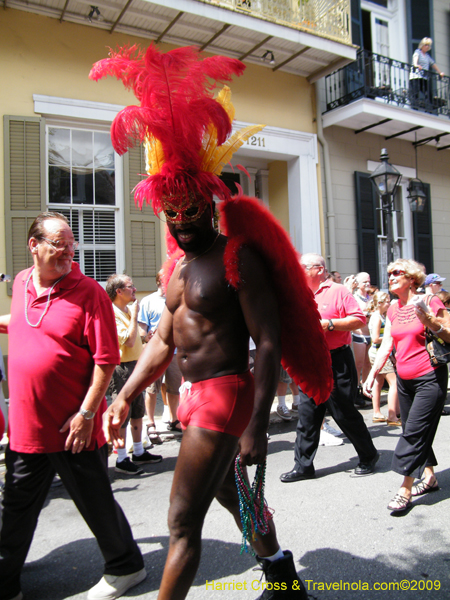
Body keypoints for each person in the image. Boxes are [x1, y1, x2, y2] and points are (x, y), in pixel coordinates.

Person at [91, 43, 333, 600]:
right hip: (193, 395)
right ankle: (282, 576)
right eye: (171, 214)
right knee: (233, 493)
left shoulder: (236, 256)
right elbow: (161, 340)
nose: (180, 223)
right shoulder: (177, 268)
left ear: (208, 198)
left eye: (190, 211)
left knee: (181, 521)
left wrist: (257, 425)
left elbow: (268, 342)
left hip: (226, 395)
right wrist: (126, 394)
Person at [0, 212, 145, 600]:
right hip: (27, 425)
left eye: (71, 245)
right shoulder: (20, 283)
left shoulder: (89, 292)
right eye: (58, 245)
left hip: (72, 426)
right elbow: (26, 321)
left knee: (95, 502)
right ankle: (5, 581)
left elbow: (106, 359)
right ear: (34, 245)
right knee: (15, 507)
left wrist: (86, 415)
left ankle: (126, 567)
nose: (68, 252)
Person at [280, 254, 379, 483]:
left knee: (343, 412)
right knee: (307, 415)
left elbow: (359, 319)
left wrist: (330, 324)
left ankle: (368, 455)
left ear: (318, 269)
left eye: (302, 267)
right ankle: (303, 466)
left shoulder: (338, 291)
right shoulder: (297, 292)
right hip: (309, 360)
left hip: (336, 360)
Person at [364, 259, 450, 513]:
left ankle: (405, 489)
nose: (390, 277)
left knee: (413, 432)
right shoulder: (392, 308)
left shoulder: (430, 301)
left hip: (429, 377)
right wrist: (372, 374)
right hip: (404, 380)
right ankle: (430, 476)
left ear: (412, 278)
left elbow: (448, 333)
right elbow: (388, 344)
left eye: (396, 273)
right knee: (414, 430)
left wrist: (429, 320)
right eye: (389, 274)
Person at [106, 273, 163, 475]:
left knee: (137, 410)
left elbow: (136, 339)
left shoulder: (127, 310)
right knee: (123, 413)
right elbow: (128, 341)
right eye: (130, 287)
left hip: (135, 364)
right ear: (118, 291)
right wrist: (136, 313)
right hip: (121, 368)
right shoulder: (112, 313)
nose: (135, 290)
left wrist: (147, 337)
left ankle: (138, 451)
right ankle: (122, 458)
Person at [138, 271, 182, 436]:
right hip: (155, 351)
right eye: (167, 280)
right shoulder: (148, 301)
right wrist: (146, 337)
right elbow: (142, 329)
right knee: (151, 388)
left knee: (174, 388)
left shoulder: (177, 300)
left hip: (175, 351)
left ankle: (174, 419)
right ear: (160, 282)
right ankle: (150, 423)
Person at [367, 291, 400, 425]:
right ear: (379, 303)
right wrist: (390, 336)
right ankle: (392, 415)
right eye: (387, 301)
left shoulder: (382, 315)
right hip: (378, 352)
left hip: (377, 353)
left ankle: (377, 412)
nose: (389, 303)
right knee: (394, 383)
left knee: (378, 382)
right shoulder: (377, 317)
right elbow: (375, 338)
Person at [352, 272, 372, 405]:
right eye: (364, 282)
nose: (367, 284)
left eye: (368, 281)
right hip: (358, 334)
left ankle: (365, 389)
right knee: (358, 365)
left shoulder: (371, 298)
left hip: (370, 333)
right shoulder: (354, 298)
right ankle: (355, 391)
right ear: (358, 284)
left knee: (368, 364)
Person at [409, 38, 445, 110]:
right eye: (425, 45)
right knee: (415, 93)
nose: (427, 46)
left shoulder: (427, 56)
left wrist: (440, 72)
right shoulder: (418, 52)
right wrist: (416, 65)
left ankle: (429, 107)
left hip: (424, 78)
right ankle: (414, 108)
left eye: (428, 45)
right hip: (415, 77)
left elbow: (433, 64)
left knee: (428, 93)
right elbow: (415, 58)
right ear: (422, 45)